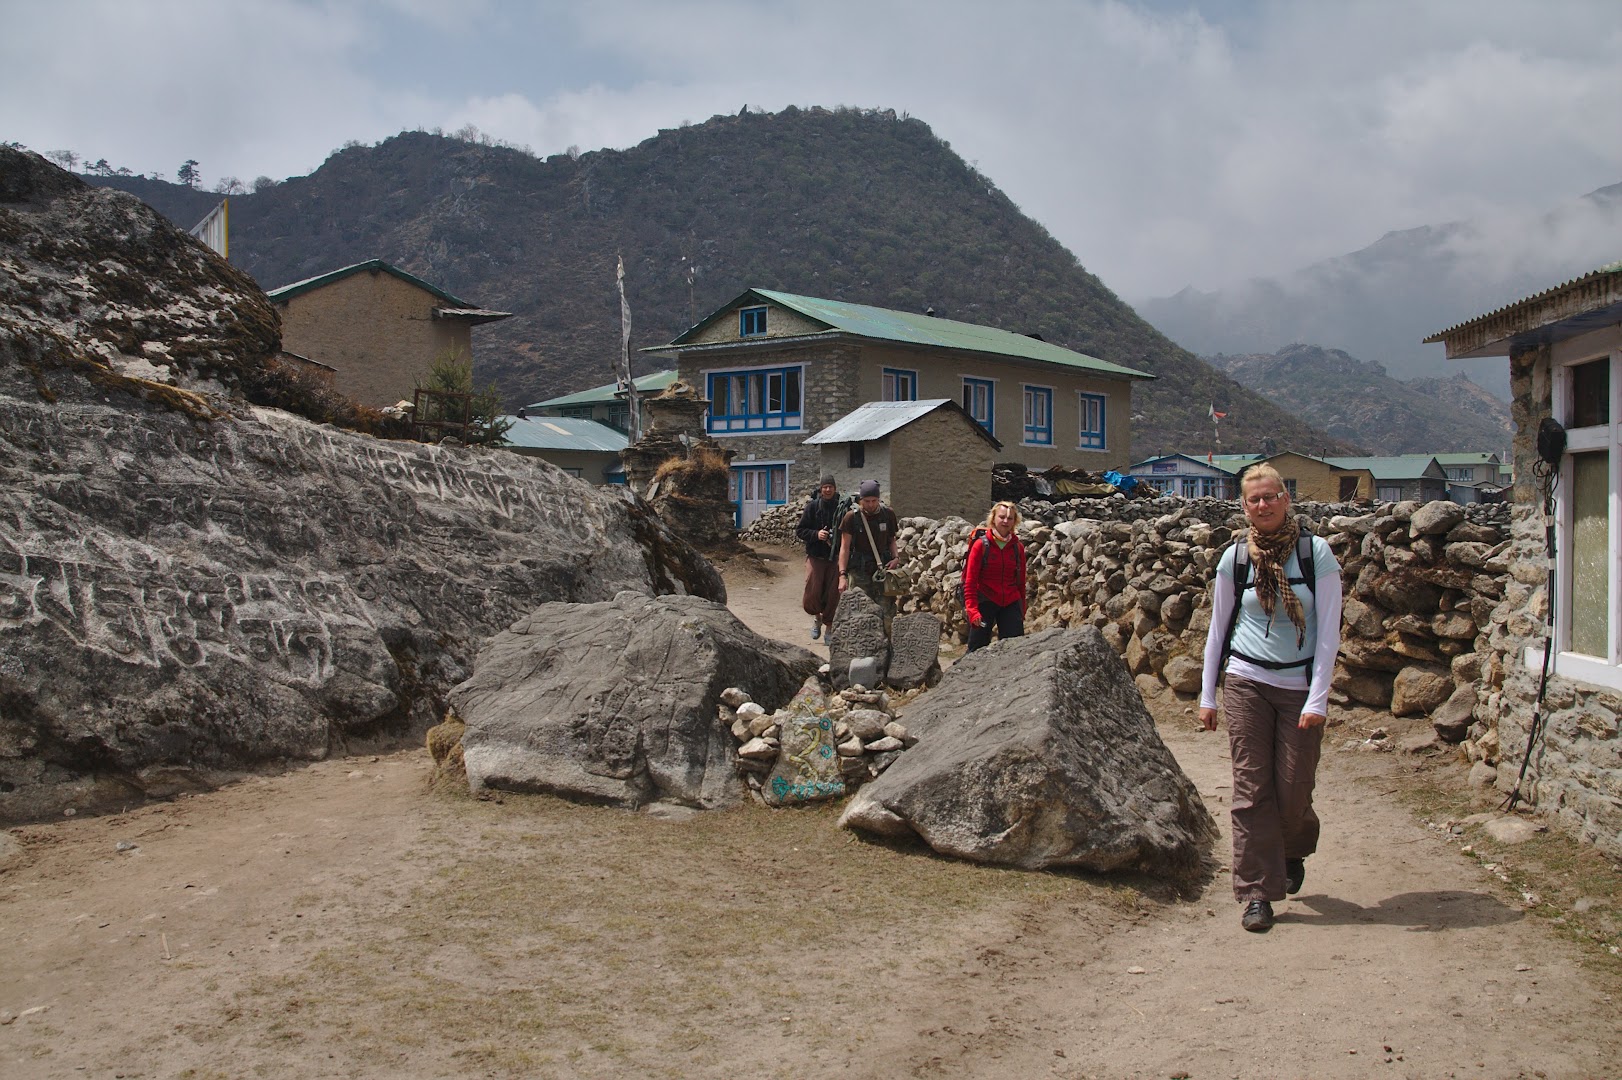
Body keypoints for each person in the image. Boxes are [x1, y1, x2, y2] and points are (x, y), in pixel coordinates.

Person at [1198, 464, 1342, 934]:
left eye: (1270, 496)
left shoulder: (1315, 554)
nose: (1263, 505)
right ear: (1244, 506)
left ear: (1285, 498)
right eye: (1253, 499)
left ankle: (1292, 848)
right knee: (1250, 788)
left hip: (1299, 687)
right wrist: (1208, 695)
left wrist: (1317, 698)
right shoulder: (1235, 559)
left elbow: (1328, 634)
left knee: (1293, 786)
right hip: (1246, 681)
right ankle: (1257, 892)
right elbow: (1218, 630)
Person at [962, 500, 1027, 652]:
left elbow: (1021, 582)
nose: (1005, 521)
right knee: (976, 649)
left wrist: (1021, 609)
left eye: (1010, 518)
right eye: (1002, 517)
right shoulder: (980, 545)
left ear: (1014, 521)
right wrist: (972, 610)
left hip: (1010, 600)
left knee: (1014, 649)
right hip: (985, 599)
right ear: (993, 518)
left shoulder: (1018, 547)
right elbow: (970, 581)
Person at [837, 479, 901, 618]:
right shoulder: (851, 518)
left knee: (886, 612)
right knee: (858, 613)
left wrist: (896, 558)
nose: (870, 504)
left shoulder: (888, 514)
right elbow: (845, 548)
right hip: (859, 571)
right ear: (861, 500)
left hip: (882, 571)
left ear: (878, 499)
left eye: (874, 500)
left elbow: (892, 540)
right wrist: (842, 575)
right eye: (867, 501)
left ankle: (886, 639)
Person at [794, 474, 846, 641]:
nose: (828, 489)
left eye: (831, 486)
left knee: (833, 594)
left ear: (835, 488)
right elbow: (800, 530)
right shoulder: (812, 507)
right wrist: (817, 534)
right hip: (816, 555)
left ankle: (829, 628)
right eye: (825, 487)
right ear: (821, 489)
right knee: (813, 590)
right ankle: (817, 618)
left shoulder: (842, 508)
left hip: (835, 558)